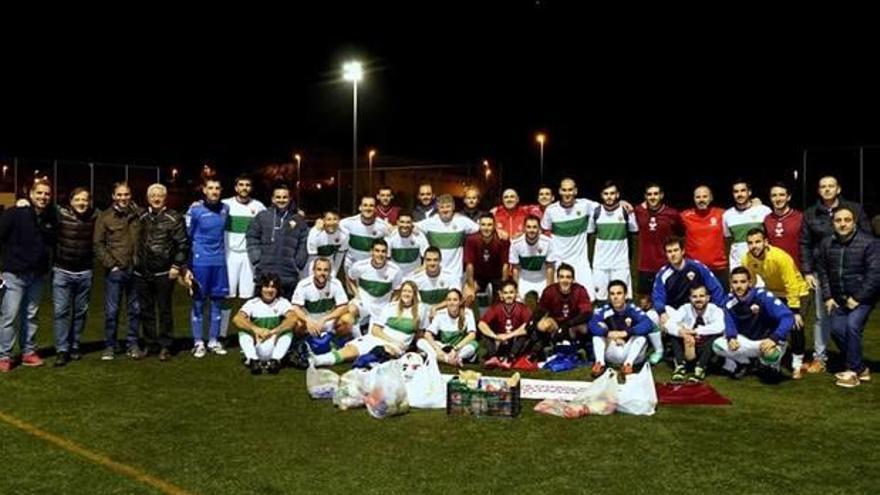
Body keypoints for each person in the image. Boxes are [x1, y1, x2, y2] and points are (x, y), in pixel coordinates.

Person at [800, 175, 873, 373]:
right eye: (823, 186)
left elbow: (868, 240)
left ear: (838, 189)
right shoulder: (810, 214)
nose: (827, 189)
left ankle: (853, 361)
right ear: (818, 190)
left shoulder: (855, 209)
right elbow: (805, 244)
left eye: (831, 186)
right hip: (823, 271)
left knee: (851, 322)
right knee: (822, 317)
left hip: (852, 271)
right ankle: (820, 357)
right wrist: (807, 270)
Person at [815, 206, 880, 388]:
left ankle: (852, 372)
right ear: (833, 223)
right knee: (836, 330)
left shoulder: (870, 243)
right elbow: (823, 271)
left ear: (854, 222)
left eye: (847, 220)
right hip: (838, 298)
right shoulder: (826, 243)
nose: (843, 224)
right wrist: (827, 297)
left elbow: (875, 274)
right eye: (838, 220)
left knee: (852, 326)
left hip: (863, 298)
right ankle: (860, 368)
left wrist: (858, 298)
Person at [0, 179, 58, 372]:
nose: (43, 197)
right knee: (10, 316)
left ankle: (28, 352)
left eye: (47, 194)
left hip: (37, 275)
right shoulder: (15, 214)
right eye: (39, 193)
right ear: (31, 194)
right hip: (14, 274)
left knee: (31, 316)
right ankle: (4, 356)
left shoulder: (50, 216)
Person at [133, 183, 190, 361]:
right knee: (146, 310)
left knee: (164, 310)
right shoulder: (141, 216)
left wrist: (176, 265)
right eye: (153, 196)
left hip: (164, 272)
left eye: (160, 196)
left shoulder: (174, 218)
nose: (156, 199)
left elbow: (182, 244)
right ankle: (150, 344)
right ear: (148, 198)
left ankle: (166, 345)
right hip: (142, 272)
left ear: (165, 198)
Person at [310, 280, 427, 366]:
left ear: (414, 294)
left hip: (395, 347)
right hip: (381, 338)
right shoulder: (391, 307)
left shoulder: (421, 310)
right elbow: (375, 330)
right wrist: (391, 340)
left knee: (375, 355)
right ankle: (317, 360)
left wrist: (413, 349)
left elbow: (420, 334)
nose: (406, 294)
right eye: (404, 291)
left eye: (410, 292)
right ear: (400, 293)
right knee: (351, 350)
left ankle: (366, 364)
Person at [742, 228, 809, 378]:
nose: (754, 246)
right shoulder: (747, 259)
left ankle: (797, 364)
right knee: (770, 324)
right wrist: (749, 302)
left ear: (766, 242)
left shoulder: (780, 257)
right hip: (774, 292)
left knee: (795, 326)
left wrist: (795, 311)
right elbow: (750, 283)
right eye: (750, 243)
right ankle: (774, 361)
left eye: (758, 241)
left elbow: (791, 284)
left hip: (798, 292)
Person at [712, 267, 794, 380]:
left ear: (750, 283)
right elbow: (729, 321)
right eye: (735, 282)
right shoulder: (729, 301)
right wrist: (731, 337)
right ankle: (745, 363)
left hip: (768, 341)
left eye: (743, 281)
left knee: (771, 363)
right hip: (749, 342)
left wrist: (774, 337)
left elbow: (788, 317)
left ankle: (768, 365)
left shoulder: (762, 296)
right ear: (731, 284)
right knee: (717, 345)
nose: (739, 286)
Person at [93, 182, 140, 361]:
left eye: (126, 194)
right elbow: (98, 244)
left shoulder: (138, 215)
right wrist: (110, 264)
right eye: (119, 195)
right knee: (112, 311)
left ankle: (132, 344)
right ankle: (109, 346)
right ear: (113, 196)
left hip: (134, 270)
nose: (123, 198)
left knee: (135, 310)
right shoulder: (105, 217)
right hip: (115, 271)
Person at [51, 187, 97, 366]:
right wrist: (23, 203)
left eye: (85, 199)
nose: (81, 203)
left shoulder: (95, 216)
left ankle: (75, 344)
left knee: (80, 312)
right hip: (62, 271)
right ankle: (62, 349)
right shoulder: (60, 214)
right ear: (70, 202)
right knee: (61, 312)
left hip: (85, 272)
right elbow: (42, 209)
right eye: (77, 199)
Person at [186, 178, 231, 358]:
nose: (214, 191)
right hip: (200, 262)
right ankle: (198, 342)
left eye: (217, 188)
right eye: (210, 188)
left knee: (217, 304)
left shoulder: (225, 209)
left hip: (219, 262)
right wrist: (187, 266)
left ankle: (213, 340)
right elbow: (187, 237)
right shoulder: (195, 210)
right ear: (204, 190)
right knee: (198, 303)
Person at [220, 174, 266, 343]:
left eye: (247, 185)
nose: (244, 188)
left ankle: (250, 334)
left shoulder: (258, 206)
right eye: (241, 185)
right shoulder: (226, 204)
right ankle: (222, 334)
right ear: (236, 187)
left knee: (248, 297)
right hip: (230, 255)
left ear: (251, 188)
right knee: (227, 297)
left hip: (249, 257)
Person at [246, 183, 309, 299]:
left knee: (288, 312)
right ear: (273, 199)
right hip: (265, 273)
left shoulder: (298, 219)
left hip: (288, 274)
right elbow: (252, 236)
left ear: (290, 199)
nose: (281, 200)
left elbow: (304, 242)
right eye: (278, 197)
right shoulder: (262, 216)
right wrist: (256, 259)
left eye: (285, 197)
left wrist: (298, 263)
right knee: (262, 311)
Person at [652, 236, 726, 328]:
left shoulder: (697, 267)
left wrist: (718, 308)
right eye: (669, 252)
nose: (673, 254)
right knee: (652, 315)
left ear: (682, 251)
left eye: (676, 250)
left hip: (698, 310)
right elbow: (658, 296)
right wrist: (662, 312)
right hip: (676, 313)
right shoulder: (663, 274)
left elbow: (715, 288)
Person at [233, 272, 298, 375]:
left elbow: (293, 319)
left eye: (273, 287)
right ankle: (253, 361)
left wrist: (274, 332)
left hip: (274, 344)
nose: (269, 290)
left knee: (288, 331)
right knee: (243, 331)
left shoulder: (282, 302)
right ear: (261, 288)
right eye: (266, 286)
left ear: (277, 289)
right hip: (257, 344)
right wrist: (256, 329)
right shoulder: (252, 303)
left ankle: (275, 361)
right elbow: (237, 319)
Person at [588, 280, 653, 377]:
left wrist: (626, 333)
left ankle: (628, 365)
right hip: (612, 350)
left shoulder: (632, 309)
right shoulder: (604, 310)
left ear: (625, 295)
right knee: (598, 333)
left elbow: (648, 323)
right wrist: (608, 334)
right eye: (612, 294)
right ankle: (600, 363)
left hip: (631, 353)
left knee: (641, 336)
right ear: (609, 296)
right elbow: (592, 324)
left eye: (619, 293)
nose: (615, 297)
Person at [663, 285, 727, 382]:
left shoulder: (715, 310)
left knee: (716, 336)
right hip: (688, 345)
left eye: (701, 296)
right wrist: (682, 333)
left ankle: (700, 368)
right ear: (690, 298)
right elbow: (668, 324)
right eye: (694, 296)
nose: (698, 299)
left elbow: (720, 326)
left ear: (708, 298)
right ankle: (680, 366)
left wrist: (696, 331)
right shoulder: (685, 308)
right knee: (674, 333)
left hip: (705, 349)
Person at [588, 180, 638, 303]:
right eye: (606, 193)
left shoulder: (626, 211)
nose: (609, 196)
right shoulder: (596, 212)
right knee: (600, 300)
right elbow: (591, 233)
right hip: (600, 264)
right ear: (601, 195)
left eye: (612, 193)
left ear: (618, 195)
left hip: (620, 264)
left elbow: (634, 231)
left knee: (622, 299)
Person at [290, 257, 354, 349]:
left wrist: (325, 319)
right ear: (313, 270)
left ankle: (335, 342)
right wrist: (307, 319)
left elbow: (344, 306)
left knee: (348, 320)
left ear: (330, 271)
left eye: (326, 270)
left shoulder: (335, 283)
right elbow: (295, 307)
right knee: (296, 322)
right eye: (319, 269)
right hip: (309, 321)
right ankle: (300, 344)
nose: (322, 273)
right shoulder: (303, 285)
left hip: (328, 320)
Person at [634, 182, 682, 296]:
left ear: (661, 195)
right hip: (645, 266)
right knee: (645, 302)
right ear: (645, 196)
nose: (652, 197)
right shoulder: (638, 211)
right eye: (649, 194)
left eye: (655, 194)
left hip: (666, 264)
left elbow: (681, 233)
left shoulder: (672, 214)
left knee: (668, 299)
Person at [346, 239, 403, 333]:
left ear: (387, 253)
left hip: (382, 305)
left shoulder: (395, 270)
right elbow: (350, 278)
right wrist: (356, 294)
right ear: (371, 251)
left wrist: (390, 305)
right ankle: (356, 337)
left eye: (383, 251)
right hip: (363, 301)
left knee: (375, 333)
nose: (380, 254)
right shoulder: (360, 266)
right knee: (350, 311)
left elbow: (397, 290)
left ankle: (367, 328)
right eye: (377, 250)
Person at [417, 194, 479, 278]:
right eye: (442, 207)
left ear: (453, 207)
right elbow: (411, 227)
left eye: (448, 207)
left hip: (456, 275)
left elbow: (482, 229)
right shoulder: (430, 222)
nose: (445, 210)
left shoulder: (462, 221)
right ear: (437, 209)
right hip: (436, 274)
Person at [680, 185, 728, 287]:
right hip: (694, 268)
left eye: (705, 196)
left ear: (711, 198)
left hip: (718, 268)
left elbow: (740, 212)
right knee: (695, 301)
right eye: (698, 197)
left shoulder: (722, 214)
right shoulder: (684, 216)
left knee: (721, 301)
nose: (701, 200)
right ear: (694, 199)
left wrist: (754, 203)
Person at [478, 280, 532, 369]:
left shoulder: (522, 308)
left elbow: (529, 326)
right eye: (505, 293)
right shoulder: (496, 308)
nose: (509, 296)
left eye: (511, 292)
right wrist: (495, 336)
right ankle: (493, 357)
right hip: (499, 341)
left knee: (525, 334)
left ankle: (510, 359)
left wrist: (509, 335)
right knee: (485, 333)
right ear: (501, 295)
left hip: (514, 342)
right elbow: (481, 324)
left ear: (516, 293)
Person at [465, 213, 509, 313]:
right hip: (479, 276)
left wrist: (503, 287)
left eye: (489, 225)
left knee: (503, 298)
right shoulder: (471, 240)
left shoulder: (502, 240)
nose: (486, 228)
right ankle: (473, 324)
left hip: (497, 276)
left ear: (494, 226)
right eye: (483, 225)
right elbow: (469, 265)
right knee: (467, 295)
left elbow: (505, 266)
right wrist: (471, 287)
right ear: (479, 226)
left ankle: (496, 325)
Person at [723, 179, 771, 271]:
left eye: (743, 190)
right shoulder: (727, 215)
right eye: (736, 191)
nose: (739, 194)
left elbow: (770, 238)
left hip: (762, 266)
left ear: (749, 192)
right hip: (738, 267)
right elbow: (728, 241)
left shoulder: (764, 211)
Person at [423, 289, 478, 365]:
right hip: (444, 347)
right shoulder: (440, 314)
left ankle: (440, 357)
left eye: (455, 300)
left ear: (460, 302)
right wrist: (437, 348)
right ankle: (450, 359)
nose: (452, 303)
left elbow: (472, 335)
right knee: (421, 342)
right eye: (449, 300)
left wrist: (455, 349)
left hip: (459, 347)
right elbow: (427, 334)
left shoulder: (467, 313)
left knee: (473, 345)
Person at [339, 196, 391, 273]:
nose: (368, 208)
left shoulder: (383, 226)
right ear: (360, 207)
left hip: (372, 267)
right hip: (352, 264)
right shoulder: (348, 223)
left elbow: (393, 236)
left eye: (371, 205)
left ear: (375, 209)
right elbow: (332, 226)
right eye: (365, 205)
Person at [509, 215, 554, 301]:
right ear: (524, 228)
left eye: (534, 227)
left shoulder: (548, 242)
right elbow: (515, 269)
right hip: (524, 279)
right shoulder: (515, 244)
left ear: (539, 229)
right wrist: (516, 291)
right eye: (528, 227)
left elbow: (550, 268)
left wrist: (549, 290)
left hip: (542, 279)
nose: (531, 230)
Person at [763, 182, 803, 265]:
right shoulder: (767, 219)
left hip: (796, 269)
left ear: (788, 197)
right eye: (774, 195)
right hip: (775, 269)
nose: (778, 199)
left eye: (781, 195)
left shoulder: (800, 217)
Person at [305, 210, 349, 278]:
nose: (332, 222)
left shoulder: (344, 234)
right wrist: (313, 276)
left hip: (330, 263)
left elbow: (339, 258)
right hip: (314, 262)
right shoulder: (315, 234)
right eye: (329, 219)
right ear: (323, 221)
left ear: (339, 220)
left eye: (335, 219)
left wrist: (334, 274)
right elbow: (312, 260)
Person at [386, 211, 429, 279]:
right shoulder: (390, 236)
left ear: (412, 223)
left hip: (415, 277)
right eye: (402, 222)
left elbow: (428, 258)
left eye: (408, 222)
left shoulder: (419, 236)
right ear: (397, 222)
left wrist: (419, 272)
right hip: (396, 277)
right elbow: (386, 259)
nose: (405, 225)